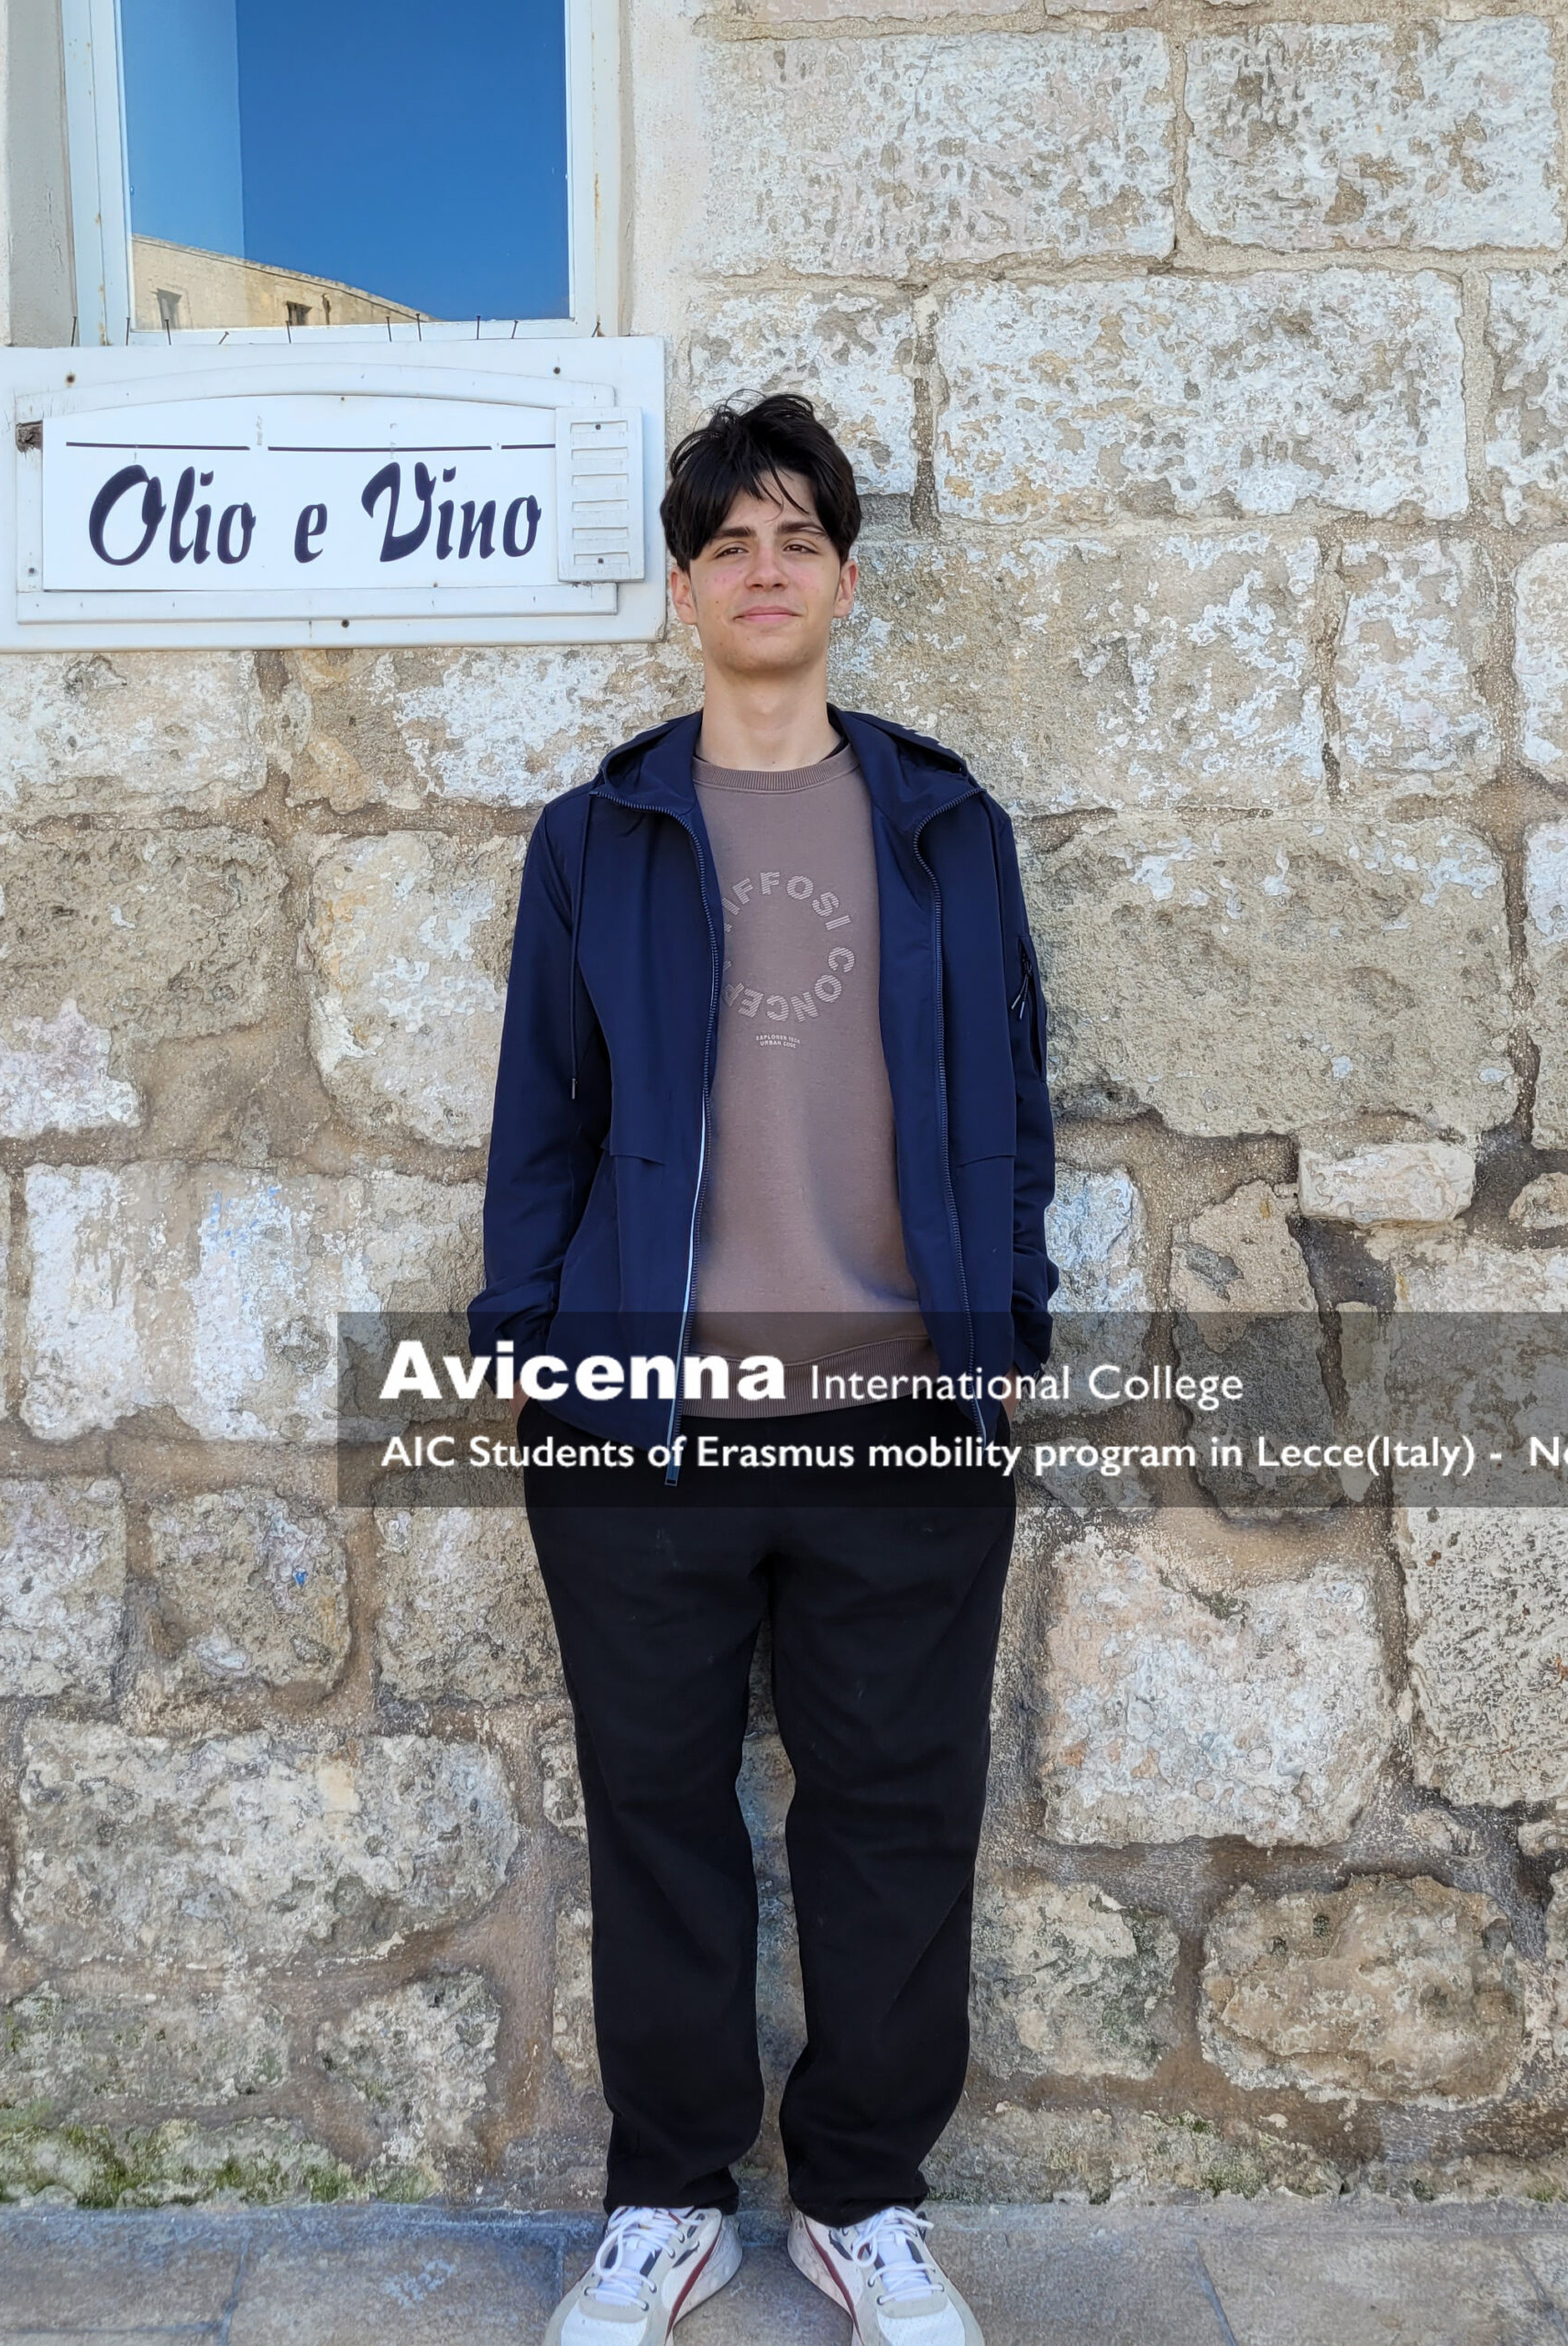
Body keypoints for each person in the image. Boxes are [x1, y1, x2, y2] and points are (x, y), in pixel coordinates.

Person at [469, 393, 1057, 2346]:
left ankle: (862, 2201)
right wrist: (531, 1353)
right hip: (649, 1426)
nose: (763, 569)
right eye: (727, 543)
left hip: (903, 1411)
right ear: (684, 589)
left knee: (895, 1816)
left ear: (846, 582)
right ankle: (667, 2199)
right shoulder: (602, 835)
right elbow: (541, 1119)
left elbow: (1011, 1109)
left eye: (797, 538)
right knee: (656, 1815)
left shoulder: (943, 828)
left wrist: (1006, 1338)